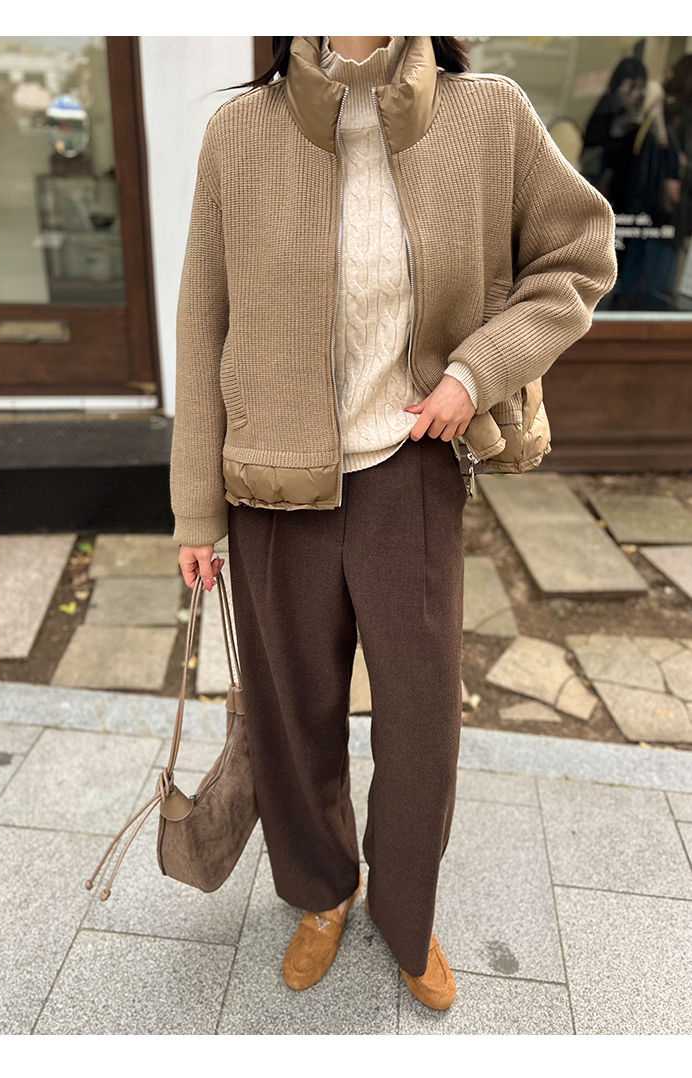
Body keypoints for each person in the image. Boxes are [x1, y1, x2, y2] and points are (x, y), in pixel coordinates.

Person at [169, 35, 617, 1012]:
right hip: (270, 486)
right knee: (294, 717)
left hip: (410, 467)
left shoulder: (487, 114)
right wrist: (195, 509)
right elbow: (202, 322)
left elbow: (579, 254)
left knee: (421, 726)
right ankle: (323, 892)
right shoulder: (238, 133)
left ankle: (405, 913)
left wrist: (476, 372)